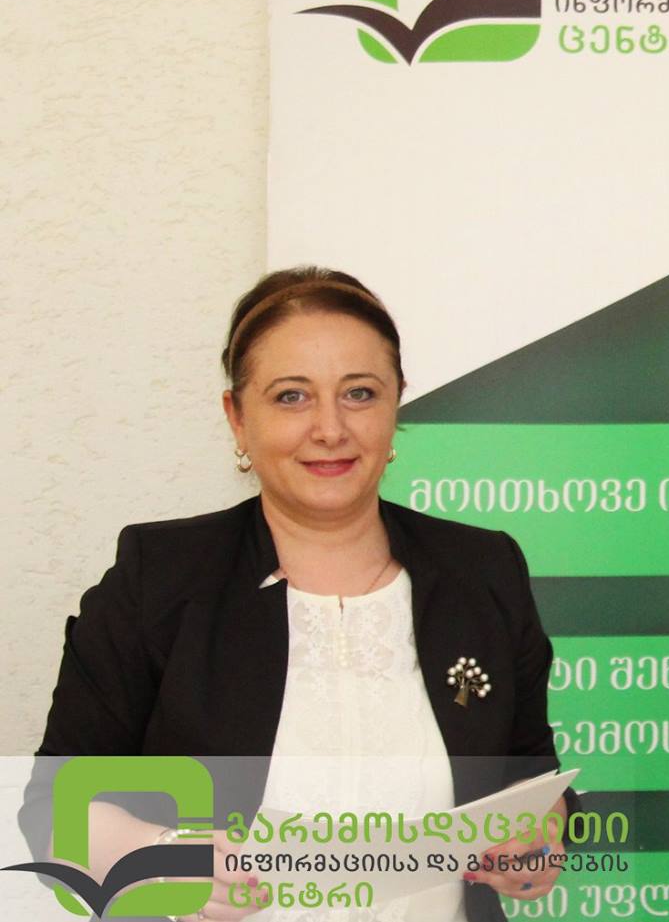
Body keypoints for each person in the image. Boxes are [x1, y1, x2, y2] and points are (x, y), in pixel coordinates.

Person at [24, 268, 568, 922]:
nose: (330, 428)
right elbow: (53, 808)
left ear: (396, 403)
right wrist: (159, 858)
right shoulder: (160, 579)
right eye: (291, 397)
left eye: (360, 393)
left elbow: (530, 772)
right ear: (237, 417)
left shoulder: (482, 571)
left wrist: (538, 839)